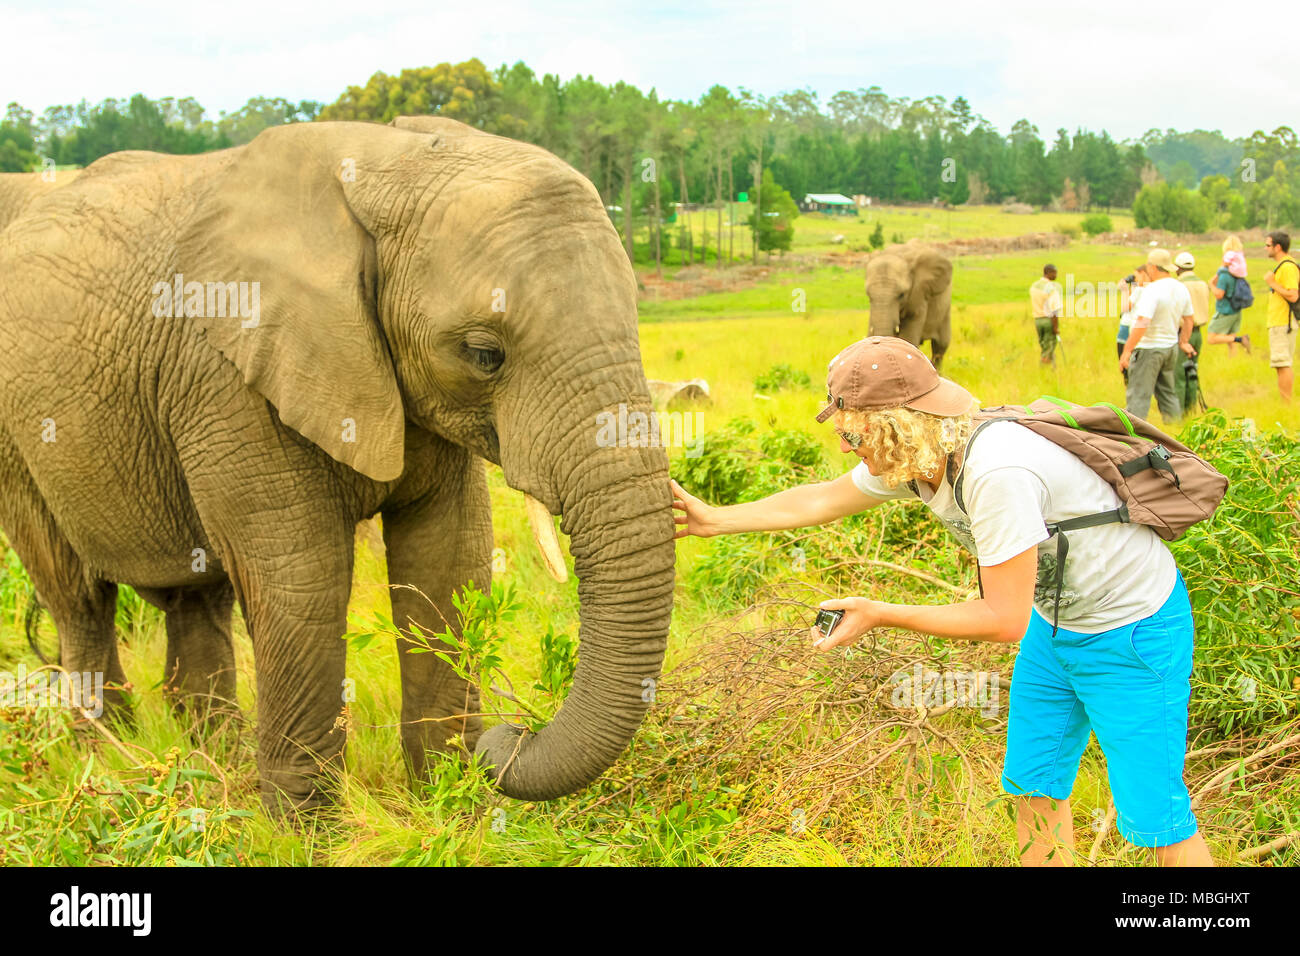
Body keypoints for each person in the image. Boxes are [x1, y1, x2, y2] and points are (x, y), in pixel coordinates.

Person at [670, 335, 1213, 867]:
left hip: (1131, 633)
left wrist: (879, 613)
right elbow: (825, 496)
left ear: (896, 426)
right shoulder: (920, 457)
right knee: (1035, 787)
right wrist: (715, 520)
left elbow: (1003, 619)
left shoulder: (997, 472)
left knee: (1156, 820)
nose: (845, 447)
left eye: (854, 436)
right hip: (1055, 628)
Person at [1119, 249, 1195, 423]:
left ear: (1152, 267)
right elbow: (1189, 319)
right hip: (1170, 348)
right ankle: (1176, 432)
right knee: (1168, 394)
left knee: (1138, 396)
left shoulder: (1152, 290)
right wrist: (1183, 341)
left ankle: (1134, 439)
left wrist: (1127, 351)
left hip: (1149, 349)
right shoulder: (1180, 287)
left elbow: (1142, 322)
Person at [1173, 252, 1210, 415]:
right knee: (1192, 371)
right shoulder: (1203, 284)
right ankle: (1191, 409)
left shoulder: (1178, 285)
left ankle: (1179, 413)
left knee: (1179, 374)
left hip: (1183, 333)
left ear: (1177, 268)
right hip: (1198, 333)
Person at [1264, 231, 1299, 402]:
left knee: (1283, 363)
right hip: (1279, 321)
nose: (1266, 248)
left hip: (1283, 322)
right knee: (1280, 364)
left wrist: (1272, 283)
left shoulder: (1287, 267)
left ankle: (1286, 403)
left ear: (1278, 247)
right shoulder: (1284, 266)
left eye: (1268, 245)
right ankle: (1285, 401)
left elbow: (1293, 295)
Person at [1206, 235, 1252, 355]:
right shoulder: (1238, 274)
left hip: (1226, 310)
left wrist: (1211, 286)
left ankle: (1241, 339)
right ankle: (1234, 361)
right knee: (1230, 342)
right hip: (1236, 310)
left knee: (1211, 338)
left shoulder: (1225, 276)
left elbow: (1219, 294)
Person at [1116, 266, 1148, 385]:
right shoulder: (1147, 289)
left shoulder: (1140, 290)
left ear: (1144, 274)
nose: (1135, 279)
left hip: (1128, 330)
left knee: (1127, 369)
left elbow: (1125, 307)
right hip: (1140, 333)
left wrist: (1124, 291)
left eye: (1136, 276)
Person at [1029, 264, 1063, 365]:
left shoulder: (1034, 286)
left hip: (1037, 320)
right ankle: (1043, 369)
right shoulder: (1051, 288)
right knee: (1049, 347)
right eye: (1054, 273)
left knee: (1044, 345)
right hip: (1048, 321)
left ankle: (1052, 369)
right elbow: (1054, 310)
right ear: (1048, 273)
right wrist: (1056, 327)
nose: (1056, 275)